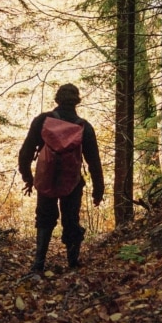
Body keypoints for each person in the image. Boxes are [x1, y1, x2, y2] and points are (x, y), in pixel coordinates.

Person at [18, 83, 104, 274]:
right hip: (72, 181)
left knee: (44, 218)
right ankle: (73, 264)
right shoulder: (84, 127)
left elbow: (25, 152)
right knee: (71, 219)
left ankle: (38, 264)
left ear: (57, 99)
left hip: (46, 179)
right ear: (76, 101)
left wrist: (28, 178)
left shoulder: (42, 120)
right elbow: (94, 162)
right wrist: (98, 191)